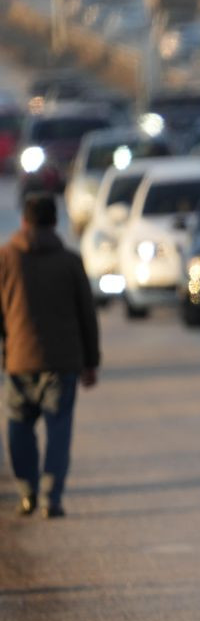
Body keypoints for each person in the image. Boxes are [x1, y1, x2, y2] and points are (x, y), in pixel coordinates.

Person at [0, 194, 100, 518]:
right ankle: (51, 497)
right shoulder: (70, 261)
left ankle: (27, 491)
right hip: (63, 364)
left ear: (24, 221)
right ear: (55, 222)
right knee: (59, 431)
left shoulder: (5, 259)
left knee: (19, 427)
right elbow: (87, 314)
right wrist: (91, 361)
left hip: (20, 361)